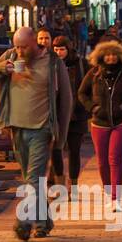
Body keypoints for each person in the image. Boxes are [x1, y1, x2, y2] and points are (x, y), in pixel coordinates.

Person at [0, 26, 74, 241]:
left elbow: (66, 100)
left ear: (35, 42)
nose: (20, 51)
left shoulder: (53, 62)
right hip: (16, 128)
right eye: (16, 46)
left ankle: (24, 221)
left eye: (23, 46)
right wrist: (2, 69)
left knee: (34, 177)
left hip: (41, 128)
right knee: (30, 178)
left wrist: (61, 136)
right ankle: (44, 222)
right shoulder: (9, 57)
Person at [77, 40, 122, 210]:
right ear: (101, 56)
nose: (111, 57)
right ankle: (108, 192)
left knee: (115, 158)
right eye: (107, 54)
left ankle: (116, 198)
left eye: (114, 54)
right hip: (99, 123)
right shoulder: (94, 73)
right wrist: (93, 107)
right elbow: (82, 93)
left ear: (119, 56)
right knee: (102, 161)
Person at [49, 34, 86, 199]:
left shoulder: (79, 64)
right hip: (56, 114)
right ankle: (60, 184)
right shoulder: (49, 65)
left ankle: (74, 184)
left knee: (74, 150)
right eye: (55, 49)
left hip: (77, 115)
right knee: (56, 149)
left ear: (68, 49)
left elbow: (85, 86)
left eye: (61, 49)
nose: (58, 52)